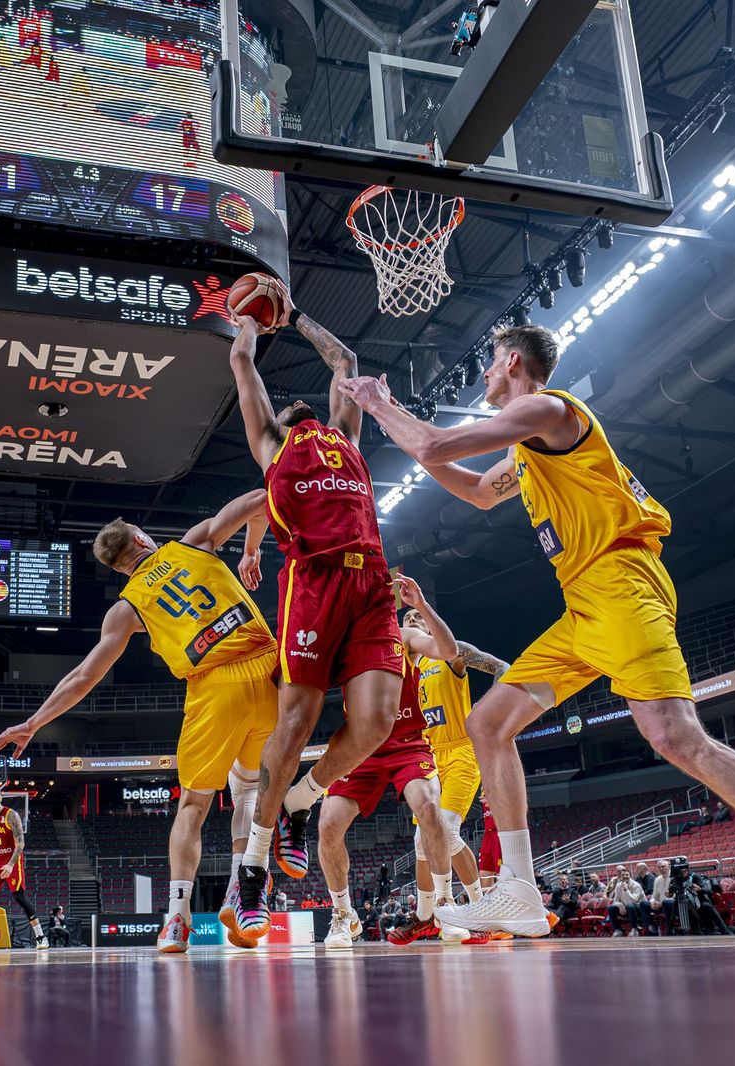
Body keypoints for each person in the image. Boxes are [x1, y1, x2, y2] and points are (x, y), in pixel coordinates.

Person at [338, 324, 735, 943]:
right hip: (584, 606)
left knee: (679, 740)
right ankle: (520, 893)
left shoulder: (546, 409)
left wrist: (379, 405)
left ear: (514, 361)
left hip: (621, 585)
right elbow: (473, 489)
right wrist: (408, 440)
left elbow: (441, 445)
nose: (484, 376)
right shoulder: (526, 451)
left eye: (491, 364)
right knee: (488, 724)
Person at [0, 490, 274, 953]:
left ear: (120, 567)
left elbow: (85, 676)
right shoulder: (195, 541)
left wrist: (34, 722)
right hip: (267, 670)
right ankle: (242, 897)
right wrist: (249, 550)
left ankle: (177, 918)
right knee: (250, 791)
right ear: (142, 538)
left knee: (194, 807)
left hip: (213, 688)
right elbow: (261, 501)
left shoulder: (127, 609)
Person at [227, 303, 408, 939]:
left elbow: (347, 364)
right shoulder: (272, 446)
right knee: (296, 719)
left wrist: (298, 314)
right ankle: (252, 867)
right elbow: (242, 362)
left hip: (372, 583)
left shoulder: (345, 436)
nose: (295, 407)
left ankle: (303, 801)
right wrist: (246, 320)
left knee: (377, 723)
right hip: (313, 581)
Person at [317, 579, 464, 948]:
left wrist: (424, 607)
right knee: (328, 825)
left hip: (407, 742)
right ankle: (342, 914)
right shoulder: (341, 643)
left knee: (430, 808)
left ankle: (445, 904)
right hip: (360, 746)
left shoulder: (405, 636)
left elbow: (448, 650)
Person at [409, 602, 509, 913]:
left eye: (416, 616)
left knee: (446, 832)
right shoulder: (402, 668)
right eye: (406, 617)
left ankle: (483, 907)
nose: (411, 619)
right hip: (426, 756)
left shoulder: (451, 653)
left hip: (460, 750)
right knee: (420, 842)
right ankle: (429, 916)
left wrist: (489, 708)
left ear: (429, 624)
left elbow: (502, 667)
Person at [0, 786, 47, 951]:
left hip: (11, 858)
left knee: (19, 896)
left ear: (1, 797)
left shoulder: (11, 815)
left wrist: (11, 864)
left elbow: (20, 843)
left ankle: (41, 937)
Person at [606, 868, 648, 936]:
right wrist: (620, 905)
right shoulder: (618, 886)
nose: (625, 876)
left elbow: (633, 901)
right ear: (620, 877)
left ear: (630, 876)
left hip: (639, 909)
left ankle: (634, 930)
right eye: (623, 875)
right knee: (611, 908)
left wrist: (626, 889)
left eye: (627, 875)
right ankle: (617, 930)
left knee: (630, 906)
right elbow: (615, 901)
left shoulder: (636, 885)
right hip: (626, 909)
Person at [647, 859, 675, 935]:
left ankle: (670, 930)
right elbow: (654, 896)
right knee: (643, 904)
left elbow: (675, 896)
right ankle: (652, 929)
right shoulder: (657, 879)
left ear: (669, 866)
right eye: (659, 867)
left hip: (672, 905)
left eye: (663, 867)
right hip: (660, 905)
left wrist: (661, 903)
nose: (661, 869)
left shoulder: (674, 877)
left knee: (666, 902)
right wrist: (653, 902)